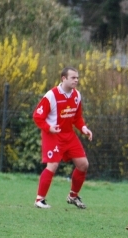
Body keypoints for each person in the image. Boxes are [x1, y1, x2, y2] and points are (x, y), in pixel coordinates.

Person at [32, 67, 93, 209]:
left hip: (69, 135)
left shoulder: (77, 95)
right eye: (73, 77)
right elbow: (37, 116)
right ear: (63, 78)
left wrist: (84, 129)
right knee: (52, 165)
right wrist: (49, 128)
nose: (76, 80)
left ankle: (73, 196)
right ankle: (39, 200)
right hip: (53, 135)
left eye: (77, 78)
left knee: (83, 165)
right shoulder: (51, 95)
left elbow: (77, 118)